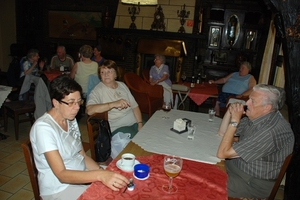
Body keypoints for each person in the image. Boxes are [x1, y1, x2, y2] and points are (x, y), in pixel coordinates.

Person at [30, 75, 129, 200]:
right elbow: (61, 174)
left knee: (122, 179)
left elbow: (82, 156)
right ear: (55, 103)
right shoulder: (44, 128)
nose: (77, 108)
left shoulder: (70, 119)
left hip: (80, 176)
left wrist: (101, 170)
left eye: (79, 102)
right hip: (59, 188)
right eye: (71, 103)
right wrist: (100, 175)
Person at [216, 84, 294, 198]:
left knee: (206, 182)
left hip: (252, 182)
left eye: (252, 101)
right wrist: (230, 111)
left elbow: (222, 153)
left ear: (267, 107)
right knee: (199, 167)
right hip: (236, 167)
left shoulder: (269, 131)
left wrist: (234, 121)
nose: (246, 103)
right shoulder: (259, 116)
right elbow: (222, 133)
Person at [86, 60, 143, 138]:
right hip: (118, 127)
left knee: (150, 131)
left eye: (109, 71)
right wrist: (113, 104)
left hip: (135, 122)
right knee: (137, 140)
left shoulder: (122, 85)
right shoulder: (97, 90)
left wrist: (140, 123)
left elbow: (135, 106)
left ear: (116, 74)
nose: (106, 74)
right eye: (102, 72)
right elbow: (89, 110)